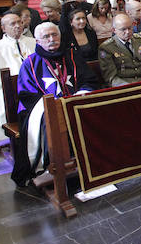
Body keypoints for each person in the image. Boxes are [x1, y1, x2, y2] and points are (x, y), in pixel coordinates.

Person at [11, 22, 98, 187]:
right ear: (37, 41)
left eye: (55, 35)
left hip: (75, 103)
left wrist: (80, 94)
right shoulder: (30, 63)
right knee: (49, 120)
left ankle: (91, 159)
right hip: (45, 110)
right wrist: (54, 105)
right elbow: (27, 95)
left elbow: (89, 80)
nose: (52, 39)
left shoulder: (72, 56)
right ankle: (52, 166)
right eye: (46, 36)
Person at [0, 12, 36, 147]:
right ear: (3, 28)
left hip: (34, 85)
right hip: (7, 88)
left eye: (19, 22)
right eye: (13, 24)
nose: (17, 26)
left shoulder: (33, 42)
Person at [98, 13, 141, 86]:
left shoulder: (140, 41)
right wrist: (131, 87)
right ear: (114, 30)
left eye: (130, 28)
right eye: (123, 29)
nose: (128, 32)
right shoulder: (107, 48)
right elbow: (111, 78)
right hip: (124, 86)